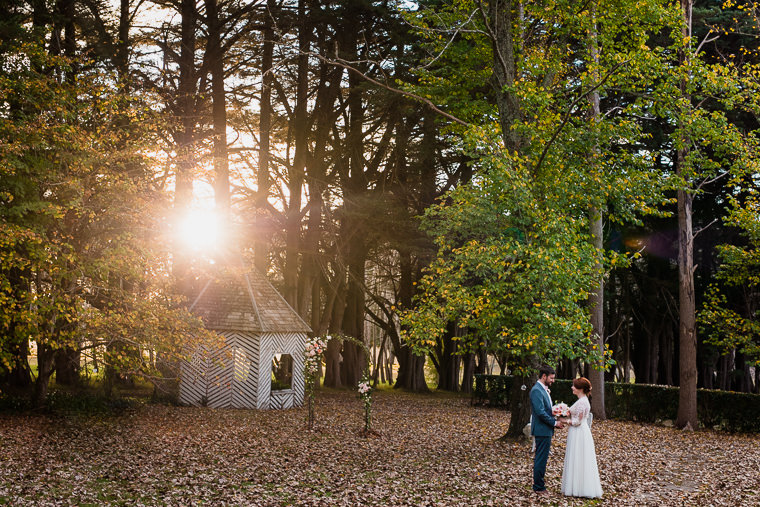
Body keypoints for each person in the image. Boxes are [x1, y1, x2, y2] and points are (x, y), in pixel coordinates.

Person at [560, 377, 603, 498]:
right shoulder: (581, 400)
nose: (572, 387)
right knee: (576, 457)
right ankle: (575, 486)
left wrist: (564, 420)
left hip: (579, 432)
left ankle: (579, 488)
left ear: (580, 389)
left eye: (574, 386)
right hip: (578, 432)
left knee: (578, 457)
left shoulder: (583, 402)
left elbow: (577, 421)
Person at [530, 365, 564, 495]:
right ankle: (538, 487)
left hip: (545, 429)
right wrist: (555, 423)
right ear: (544, 376)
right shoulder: (537, 390)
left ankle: (539, 484)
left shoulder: (544, 390)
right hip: (541, 429)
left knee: (542, 458)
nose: (553, 381)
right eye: (551, 378)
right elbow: (540, 413)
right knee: (541, 458)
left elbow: (547, 409)